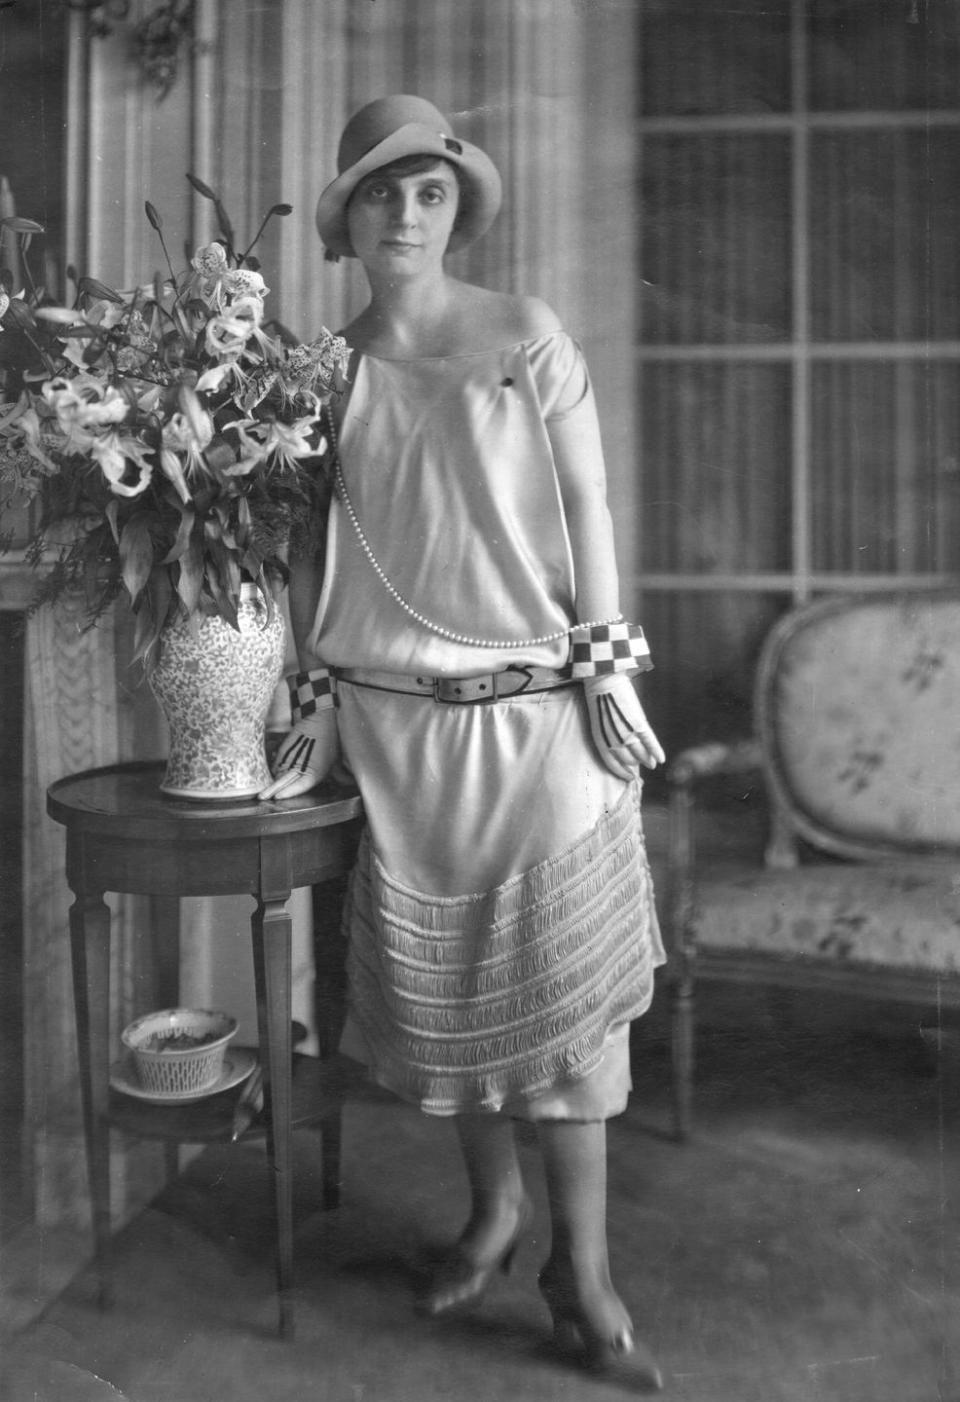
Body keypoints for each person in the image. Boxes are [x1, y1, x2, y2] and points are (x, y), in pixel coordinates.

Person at [261, 94, 667, 1392]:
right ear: (347, 217)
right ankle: (492, 1221)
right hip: (399, 729)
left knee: (563, 1004)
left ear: (456, 210)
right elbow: (311, 549)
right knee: (451, 1011)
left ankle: (583, 1276)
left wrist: (606, 656)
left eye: (430, 192)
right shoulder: (328, 373)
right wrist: (304, 690)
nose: (407, 215)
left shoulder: (526, 337)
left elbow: (589, 501)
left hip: (544, 714)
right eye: (382, 192)